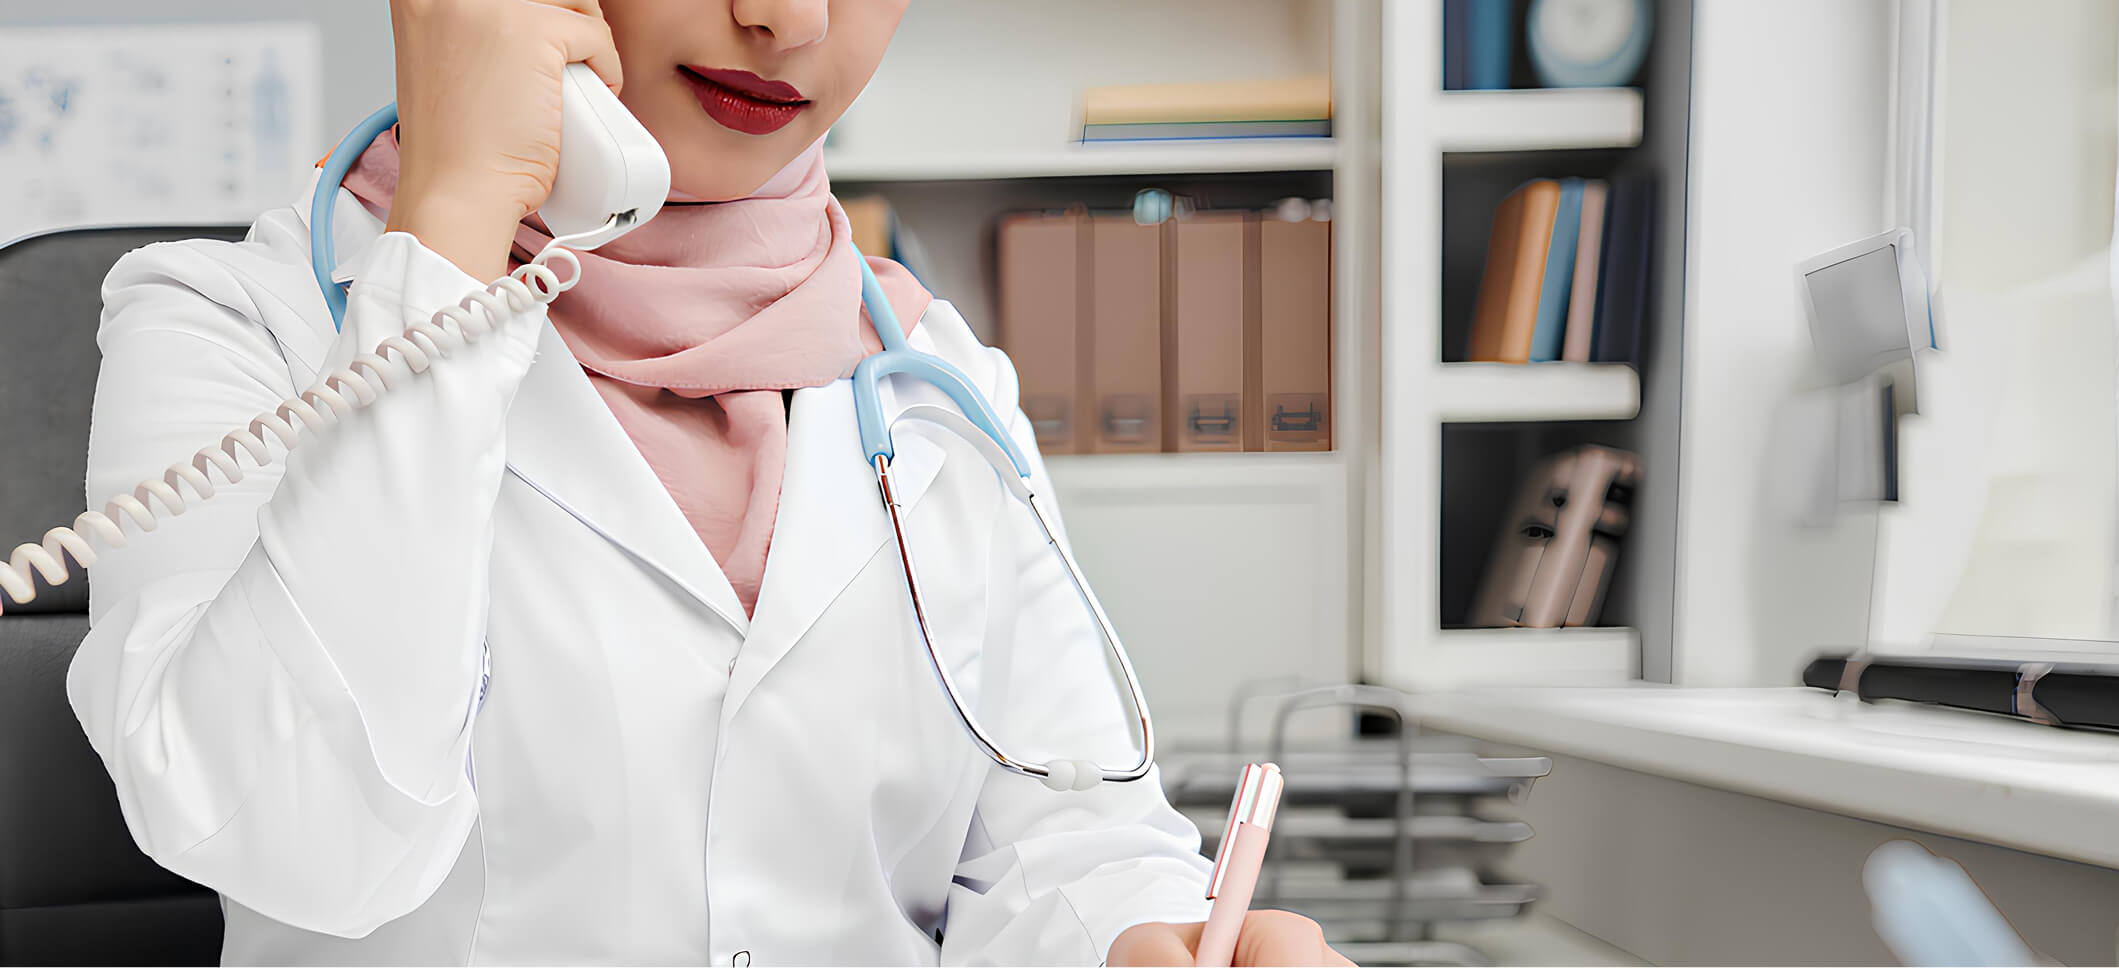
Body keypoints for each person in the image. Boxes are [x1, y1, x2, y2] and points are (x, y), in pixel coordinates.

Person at [68, 0, 1351, 964]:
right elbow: (301, 839)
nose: (790, 17)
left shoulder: (936, 380)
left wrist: (1140, 936)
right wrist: (455, 221)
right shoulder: (235, 325)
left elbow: (1065, 836)